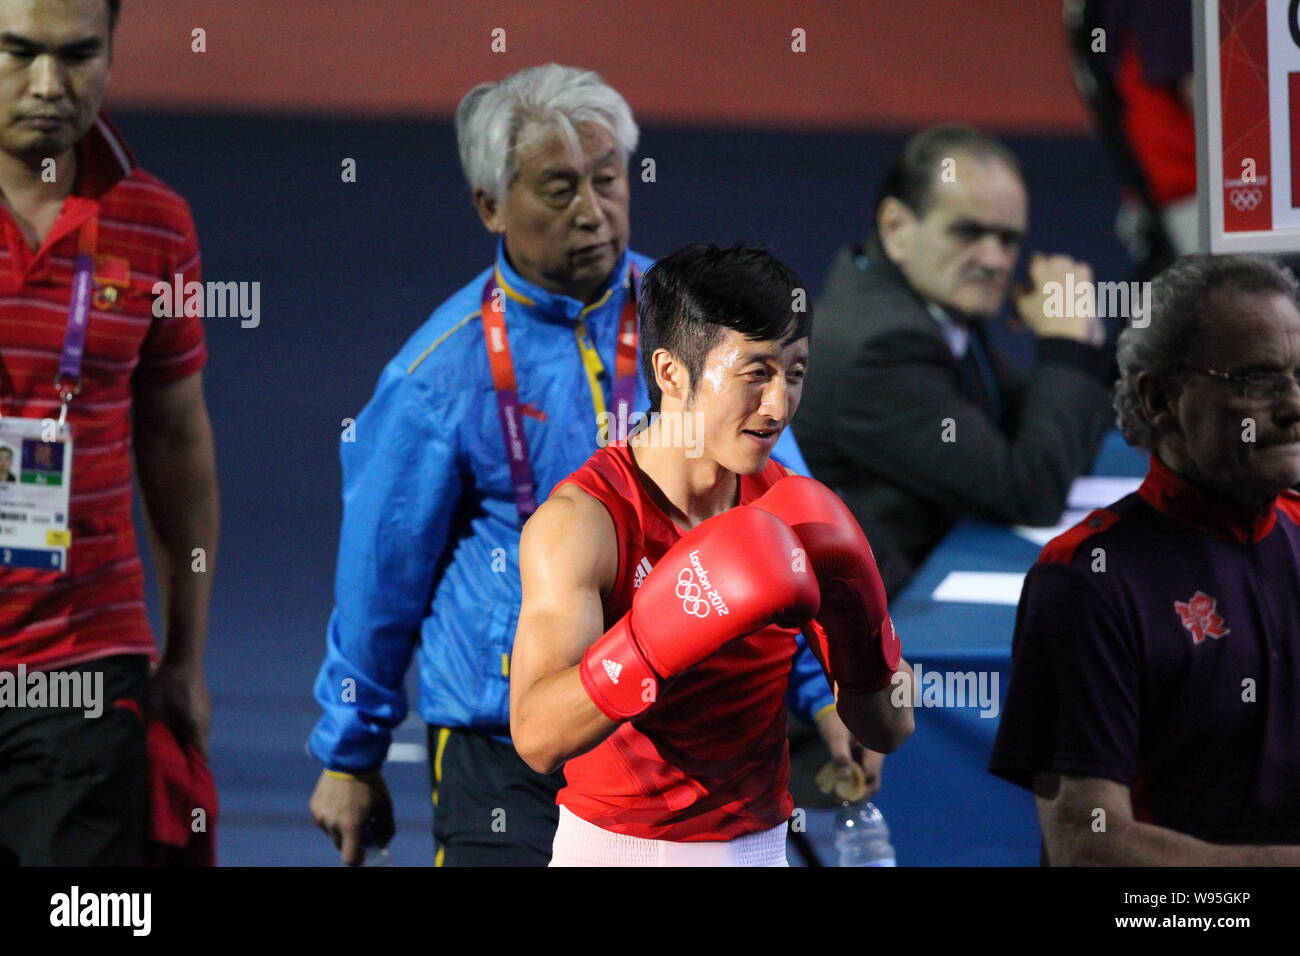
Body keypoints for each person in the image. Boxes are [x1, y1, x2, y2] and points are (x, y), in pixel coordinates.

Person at [306, 65, 841, 868]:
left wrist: (823, 693)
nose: (592, 212)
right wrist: (350, 753)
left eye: (606, 180)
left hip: (687, 728)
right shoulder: (436, 378)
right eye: (558, 189)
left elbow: (778, 523)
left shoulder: (706, 331)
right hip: (510, 740)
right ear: (490, 204)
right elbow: (379, 575)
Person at [511, 242, 915, 866]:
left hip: (760, 851)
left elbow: (888, 728)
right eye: (756, 372)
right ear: (672, 373)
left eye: (796, 373)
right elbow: (536, 738)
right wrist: (650, 644)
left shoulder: (795, 515)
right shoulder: (585, 524)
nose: (779, 406)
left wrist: (868, 649)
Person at [990, 254, 1300, 865]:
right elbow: (1088, 847)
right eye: (1259, 381)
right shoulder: (1085, 584)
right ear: (1160, 399)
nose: (1294, 406)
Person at [0, 0, 217, 865]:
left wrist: (186, 655)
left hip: (85, 660)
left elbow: (175, 443)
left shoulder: (156, 221)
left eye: (78, 55)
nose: (49, 86)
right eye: (17, 52)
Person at [798, 125, 1115, 596]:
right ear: (896, 228)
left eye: (1008, 240)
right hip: (886, 625)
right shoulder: (881, 347)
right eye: (968, 232)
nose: (994, 260)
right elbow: (1030, 491)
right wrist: (1066, 344)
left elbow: (1046, 435)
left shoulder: (927, 304)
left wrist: (1076, 341)